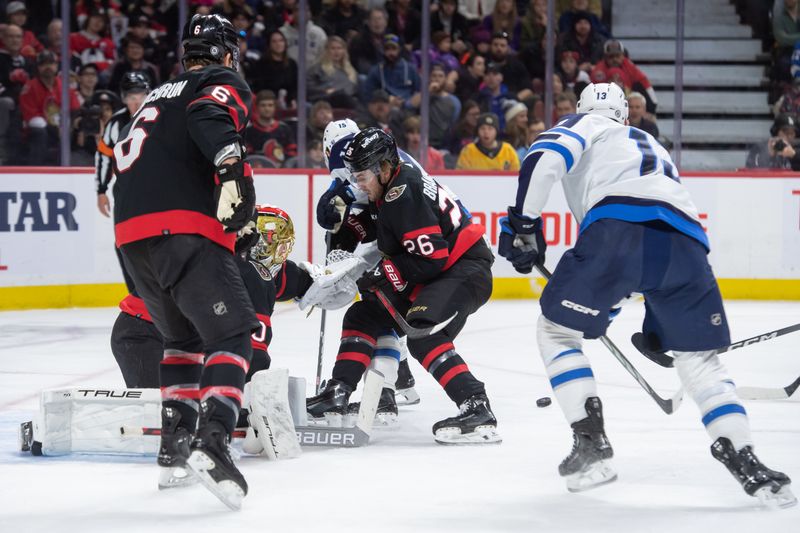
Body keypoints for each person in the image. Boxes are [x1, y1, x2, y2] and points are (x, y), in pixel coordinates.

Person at [498, 82, 796, 506]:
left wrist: (523, 225)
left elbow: (544, 158)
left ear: (583, 109)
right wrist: (655, 317)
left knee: (557, 332)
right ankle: (747, 459)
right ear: (625, 114)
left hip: (616, 231)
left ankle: (591, 442)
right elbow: (650, 236)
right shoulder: (647, 140)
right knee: (700, 361)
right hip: (686, 243)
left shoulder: (583, 124)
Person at [112, 14, 256, 509]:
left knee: (182, 339)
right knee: (235, 330)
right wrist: (232, 169)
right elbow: (209, 119)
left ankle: (173, 450)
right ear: (226, 52)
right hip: (182, 227)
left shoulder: (155, 95)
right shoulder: (220, 80)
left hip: (132, 235)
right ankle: (214, 441)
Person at [308, 127, 501, 444]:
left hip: (464, 268)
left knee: (423, 334)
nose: (358, 184)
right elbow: (381, 227)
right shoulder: (391, 183)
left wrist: (381, 273)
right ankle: (338, 393)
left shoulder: (403, 192)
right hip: (444, 268)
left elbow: (431, 259)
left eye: (362, 176)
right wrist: (347, 232)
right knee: (364, 314)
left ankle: (476, 406)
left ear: (383, 168)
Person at [591, 40, 658, 114]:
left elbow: (644, 82)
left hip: (628, 100)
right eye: (611, 56)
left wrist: (652, 108)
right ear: (605, 57)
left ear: (623, 56)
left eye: (617, 56)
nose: (615, 59)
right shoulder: (598, 71)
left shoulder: (630, 67)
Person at [244, 90, 296, 167]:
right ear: (257, 107)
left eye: (270, 105)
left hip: (282, 173)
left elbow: (292, 154)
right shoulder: (249, 131)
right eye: (263, 105)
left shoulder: (285, 129)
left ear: (275, 107)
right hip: (257, 173)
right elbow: (247, 156)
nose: (267, 109)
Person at [456, 112, 520, 170]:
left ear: (496, 131)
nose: (486, 132)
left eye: (490, 128)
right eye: (482, 128)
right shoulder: (468, 151)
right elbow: (461, 176)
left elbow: (516, 175)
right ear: (477, 131)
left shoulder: (508, 150)